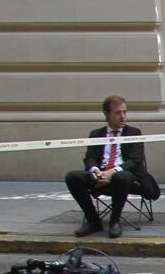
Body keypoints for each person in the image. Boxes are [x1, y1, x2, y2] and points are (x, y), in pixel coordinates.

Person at [64, 95, 154, 239]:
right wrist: (96, 171)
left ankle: (114, 221)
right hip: (100, 173)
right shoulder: (96, 134)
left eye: (125, 112)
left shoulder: (134, 133)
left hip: (124, 175)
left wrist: (112, 173)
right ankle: (93, 220)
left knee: (121, 177)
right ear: (106, 115)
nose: (123, 116)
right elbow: (90, 158)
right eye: (118, 113)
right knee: (72, 177)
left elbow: (135, 161)